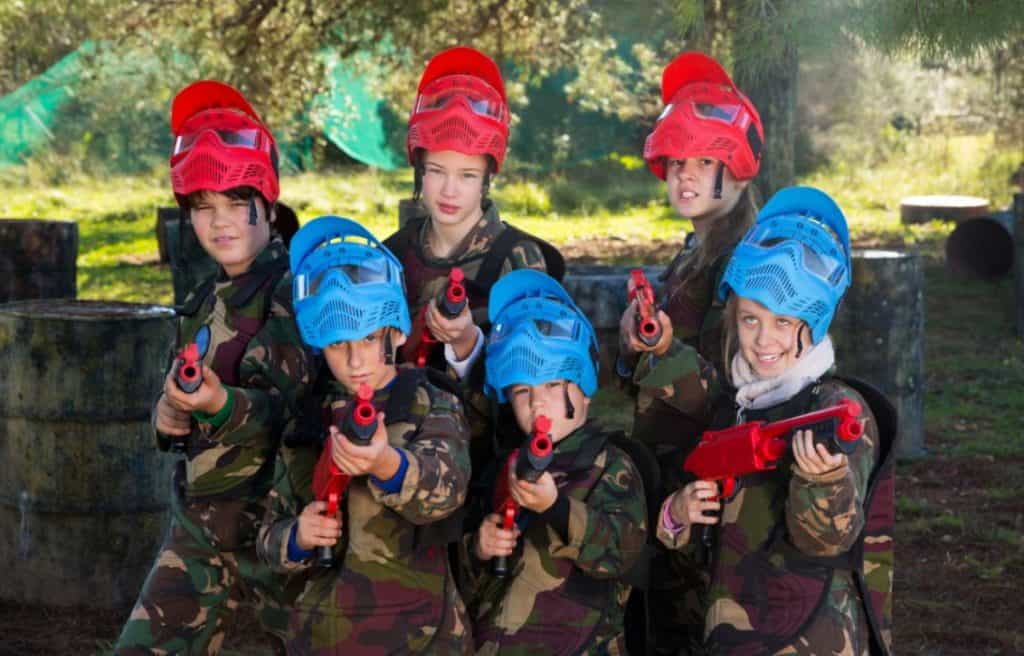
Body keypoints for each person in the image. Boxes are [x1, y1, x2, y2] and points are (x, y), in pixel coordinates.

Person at [114, 80, 312, 655]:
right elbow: (180, 402)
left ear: (268, 207)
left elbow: (301, 418)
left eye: (234, 206)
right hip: (203, 531)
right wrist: (169, 411)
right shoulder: (206, 299)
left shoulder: (297, 294)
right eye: (203, 208)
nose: (219, 224)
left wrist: (222, 405)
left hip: (280, 538)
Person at [657, 187, 894, 655]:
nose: (764, 339)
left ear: (816, 319)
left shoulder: (838, 409)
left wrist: (822, 481)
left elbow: (828, 540)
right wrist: (675, 515)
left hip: (807, 637)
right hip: (729, 632)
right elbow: (697, 549)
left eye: (785, 322)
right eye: (749, 319)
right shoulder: (736, 401)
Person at [258, 215, 473, 654]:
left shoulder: (430, 400)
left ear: (394, 331)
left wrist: (385, 463)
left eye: (369, 338)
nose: (356, 360)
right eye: (338, 344)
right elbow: (267, 537)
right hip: (326, 634)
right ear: (318, 341)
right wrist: (298, 537)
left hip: (424, 634)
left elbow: (448, 488)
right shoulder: (308, 420)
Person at [615, 51, 765, 653]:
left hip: (714, 502)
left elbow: (746, 398)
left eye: (704, 161)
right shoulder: (697, 249)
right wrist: (636, 345)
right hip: (675, 484)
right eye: (678, 161)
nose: (685, 175)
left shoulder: (748, 264)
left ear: (736, 167)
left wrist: (666, 351)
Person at [383, 45, 564, 479]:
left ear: (487, 179)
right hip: (393, 461)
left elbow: (538, 387)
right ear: (418, 170)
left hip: (484, 467)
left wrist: (467, 346)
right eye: (437, 171)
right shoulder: (390, 255)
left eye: (466, 176)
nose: (449, 191)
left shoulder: (519, 260)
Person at [460, 269, 648, 654]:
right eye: (522, 390)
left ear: (585, 386)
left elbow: (622, 552)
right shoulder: (503, 468)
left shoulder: (610, 466)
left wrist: (555, 508)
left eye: (551, 384)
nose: (537, 403)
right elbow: (460, 584)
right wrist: (478, 548)